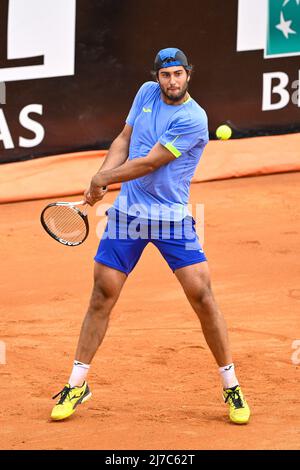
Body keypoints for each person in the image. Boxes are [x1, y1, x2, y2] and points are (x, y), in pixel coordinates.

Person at [51, 48, 250, 424]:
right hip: (128, 215)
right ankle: (76, 384)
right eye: (165, 75)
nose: (171, 81)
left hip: (171, 219)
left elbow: (151, 161)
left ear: (189, 74)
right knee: (102, 294)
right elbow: (124, 141)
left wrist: (103, 179)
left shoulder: (194, 118)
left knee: (202, 295)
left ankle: (231, 386)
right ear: (156, 76)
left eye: (178, 74)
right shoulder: (145, 94)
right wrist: (101, 176)